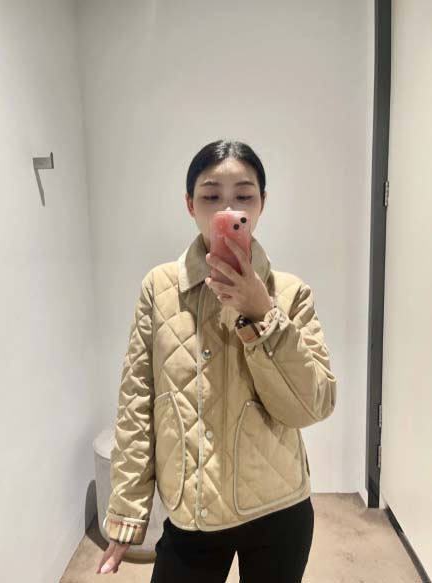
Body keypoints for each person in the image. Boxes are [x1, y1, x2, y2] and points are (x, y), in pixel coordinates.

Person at [96, 139, 337, 581]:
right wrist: (128, 509)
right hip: (192, 513)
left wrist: (263, 314)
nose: (227, 208)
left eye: (243, 196)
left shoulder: (291, 293)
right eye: (211, 196)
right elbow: (137, 403)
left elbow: (313, 405)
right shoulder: (159, 288)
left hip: (278, 509)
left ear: (262, 204)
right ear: (190, 204)